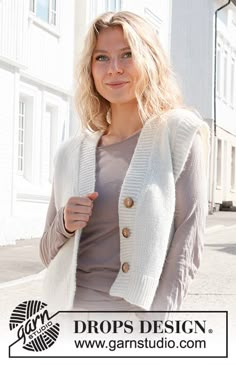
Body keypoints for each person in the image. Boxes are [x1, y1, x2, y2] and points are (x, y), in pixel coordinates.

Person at [39, 11, 209, 315]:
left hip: (134, 326)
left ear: (150, 60)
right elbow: (46, 252)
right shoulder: (69, 152)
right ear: (90, 70)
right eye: (101, 58)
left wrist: (156, 325)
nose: (114, 69)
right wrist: (64, 222)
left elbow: (189, 242)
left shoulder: (179, 134)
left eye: (127, 55)